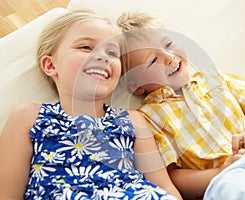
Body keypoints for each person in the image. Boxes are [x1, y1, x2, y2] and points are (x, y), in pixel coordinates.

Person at [0, 10, 182, 200]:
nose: (103, 57)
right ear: (51, 65)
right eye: (86, 47)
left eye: (112, 53)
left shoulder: (132, 120)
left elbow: (164, 188)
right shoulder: (29, 116)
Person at [117, 12, 245, 198]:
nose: (169, 56)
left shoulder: (212, 78)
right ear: (136, 87)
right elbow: (174, 177)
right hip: (224, 181)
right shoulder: (149, 117)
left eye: (168, 44)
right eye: (152, 60)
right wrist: (221, 172)